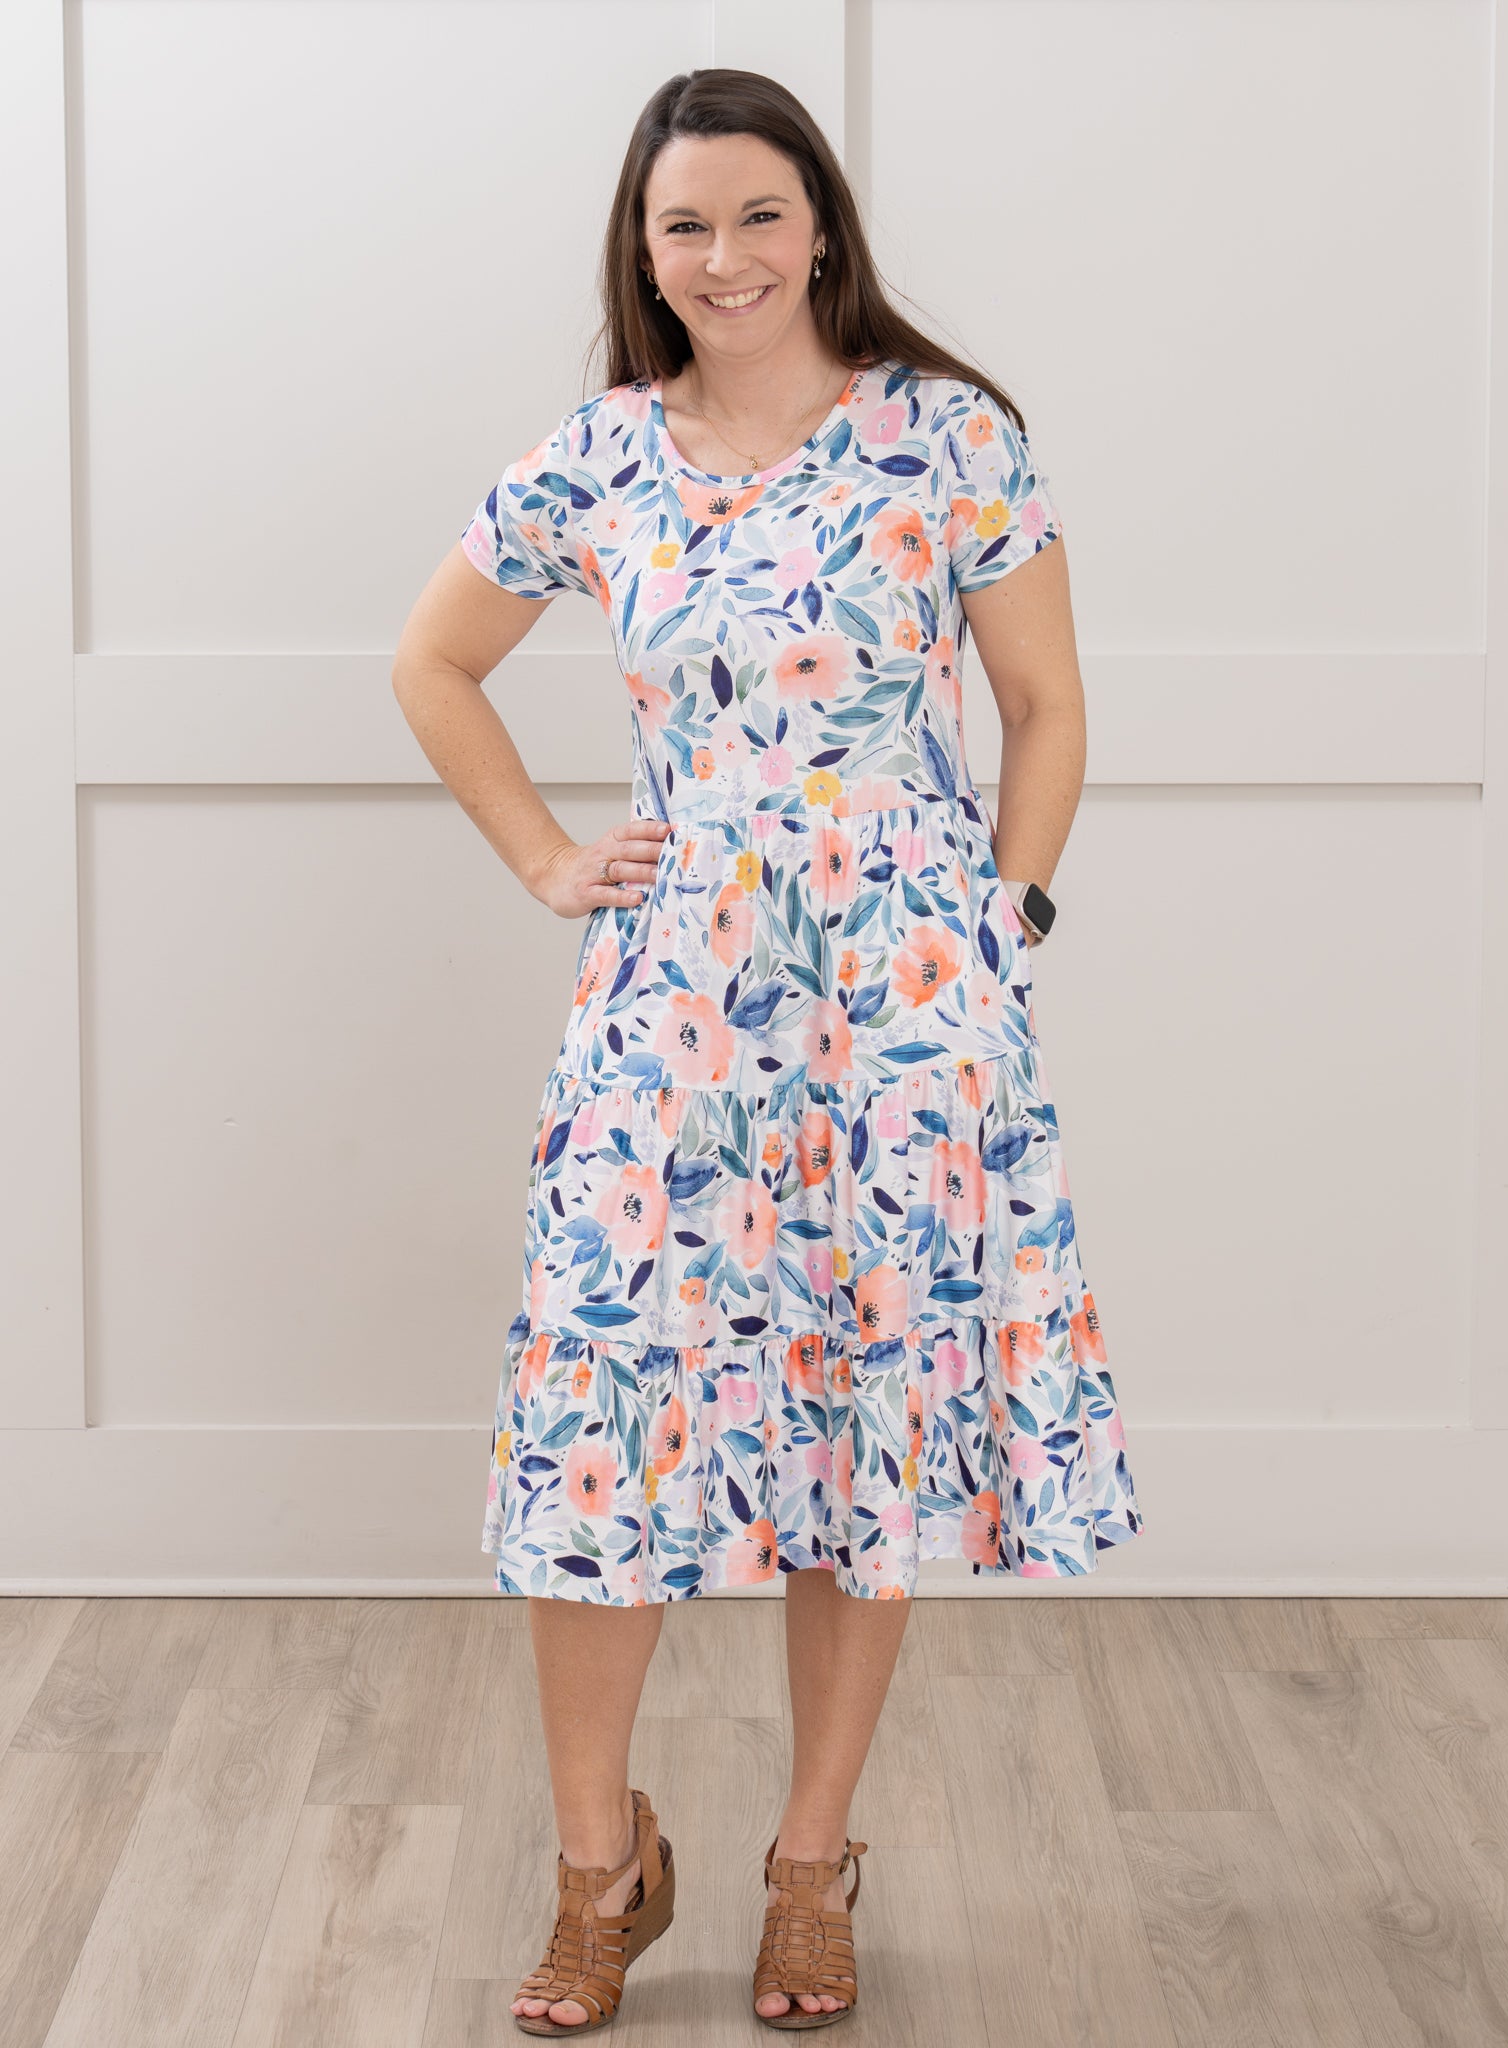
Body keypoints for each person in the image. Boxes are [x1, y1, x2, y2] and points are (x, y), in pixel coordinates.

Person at [393, 65, 1146, 2038]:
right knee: (607, 1426)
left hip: (904, 1012)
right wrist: (550, 857)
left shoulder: (948, 435)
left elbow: (1047, 704)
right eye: (684, 226)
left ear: (819, 228)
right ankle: (600, 1871)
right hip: (675, 1010)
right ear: (643, 252)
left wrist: (1007, 924)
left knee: (861, 1426)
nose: (722, 257)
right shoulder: (601, 457)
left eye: (755, 215)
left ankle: (812, 1866)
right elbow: (431, 661)